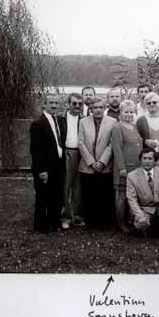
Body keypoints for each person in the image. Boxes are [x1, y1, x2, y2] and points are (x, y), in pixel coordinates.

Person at [29, 93, 66, 233]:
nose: (54, 105)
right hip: (44, 167)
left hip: (58, 165)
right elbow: (35, 150)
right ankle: (40, 226)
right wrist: (41, 170)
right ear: (44, 104)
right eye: (51, 103)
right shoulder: (38, 123)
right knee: (43, 197)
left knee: (56, 196)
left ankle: (54, 223)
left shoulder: (60, 121)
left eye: (56, 103)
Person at [78, 97, 117, 228]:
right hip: (87, 166)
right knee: (88, 193)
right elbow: (81, 143)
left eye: (100, 107)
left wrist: (101, 162)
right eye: (95, 108)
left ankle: (104, 221)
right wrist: (91, 162)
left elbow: (112, 144)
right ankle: (90, 221)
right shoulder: (83, 122)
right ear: (90, 109)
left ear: (104, 108)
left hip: (104, 166)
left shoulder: (112, 122)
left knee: (103, 193)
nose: (98, 110)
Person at [111, 100, 143, 233]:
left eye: (131, 112)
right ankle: (121, 223)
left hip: (136, 167)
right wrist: (121, 168)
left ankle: (132, 220)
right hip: (124, 168)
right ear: (121, 113)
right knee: (121, 196)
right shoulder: (117, 128)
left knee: (132, 195)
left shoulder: (135, 127)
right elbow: (117, 149)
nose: (129, 114)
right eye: (126, 112)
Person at [126, 148, 159, 237]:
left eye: (150, 159)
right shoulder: (132, 176)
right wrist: (140, 215)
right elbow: (131, 200)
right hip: (144, 208)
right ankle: (148, 228)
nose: (147, 161)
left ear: (155, 160)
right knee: (141, 223)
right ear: (140, 160)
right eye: (144, 158)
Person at [61, 92, 84, 229]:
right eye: (74, 103)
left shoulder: (85, 119)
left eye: (80, 104)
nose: (77, 106)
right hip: (67, 153)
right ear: (68, 104)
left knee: (78, 187)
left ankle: (76, 216)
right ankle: (65, 216)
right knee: (65, 186)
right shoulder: (61, 119)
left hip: (81, 155)